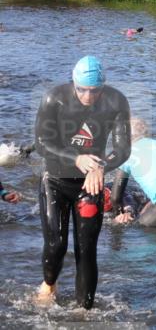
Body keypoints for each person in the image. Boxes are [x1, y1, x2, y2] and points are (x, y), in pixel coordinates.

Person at [35, 55, 131, 309]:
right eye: (82, 90)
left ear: (103, 86)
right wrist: (75, 158)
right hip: (55, 179)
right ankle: (49, 284)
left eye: (95, 90)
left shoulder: (116, 101)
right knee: (56, 244)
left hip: (90, 182)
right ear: (73, 83)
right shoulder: (54, 98)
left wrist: (100, 165)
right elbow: (42, 143)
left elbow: (123, 149)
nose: (88, 96)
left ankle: (85, 314)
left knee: (86, 248)